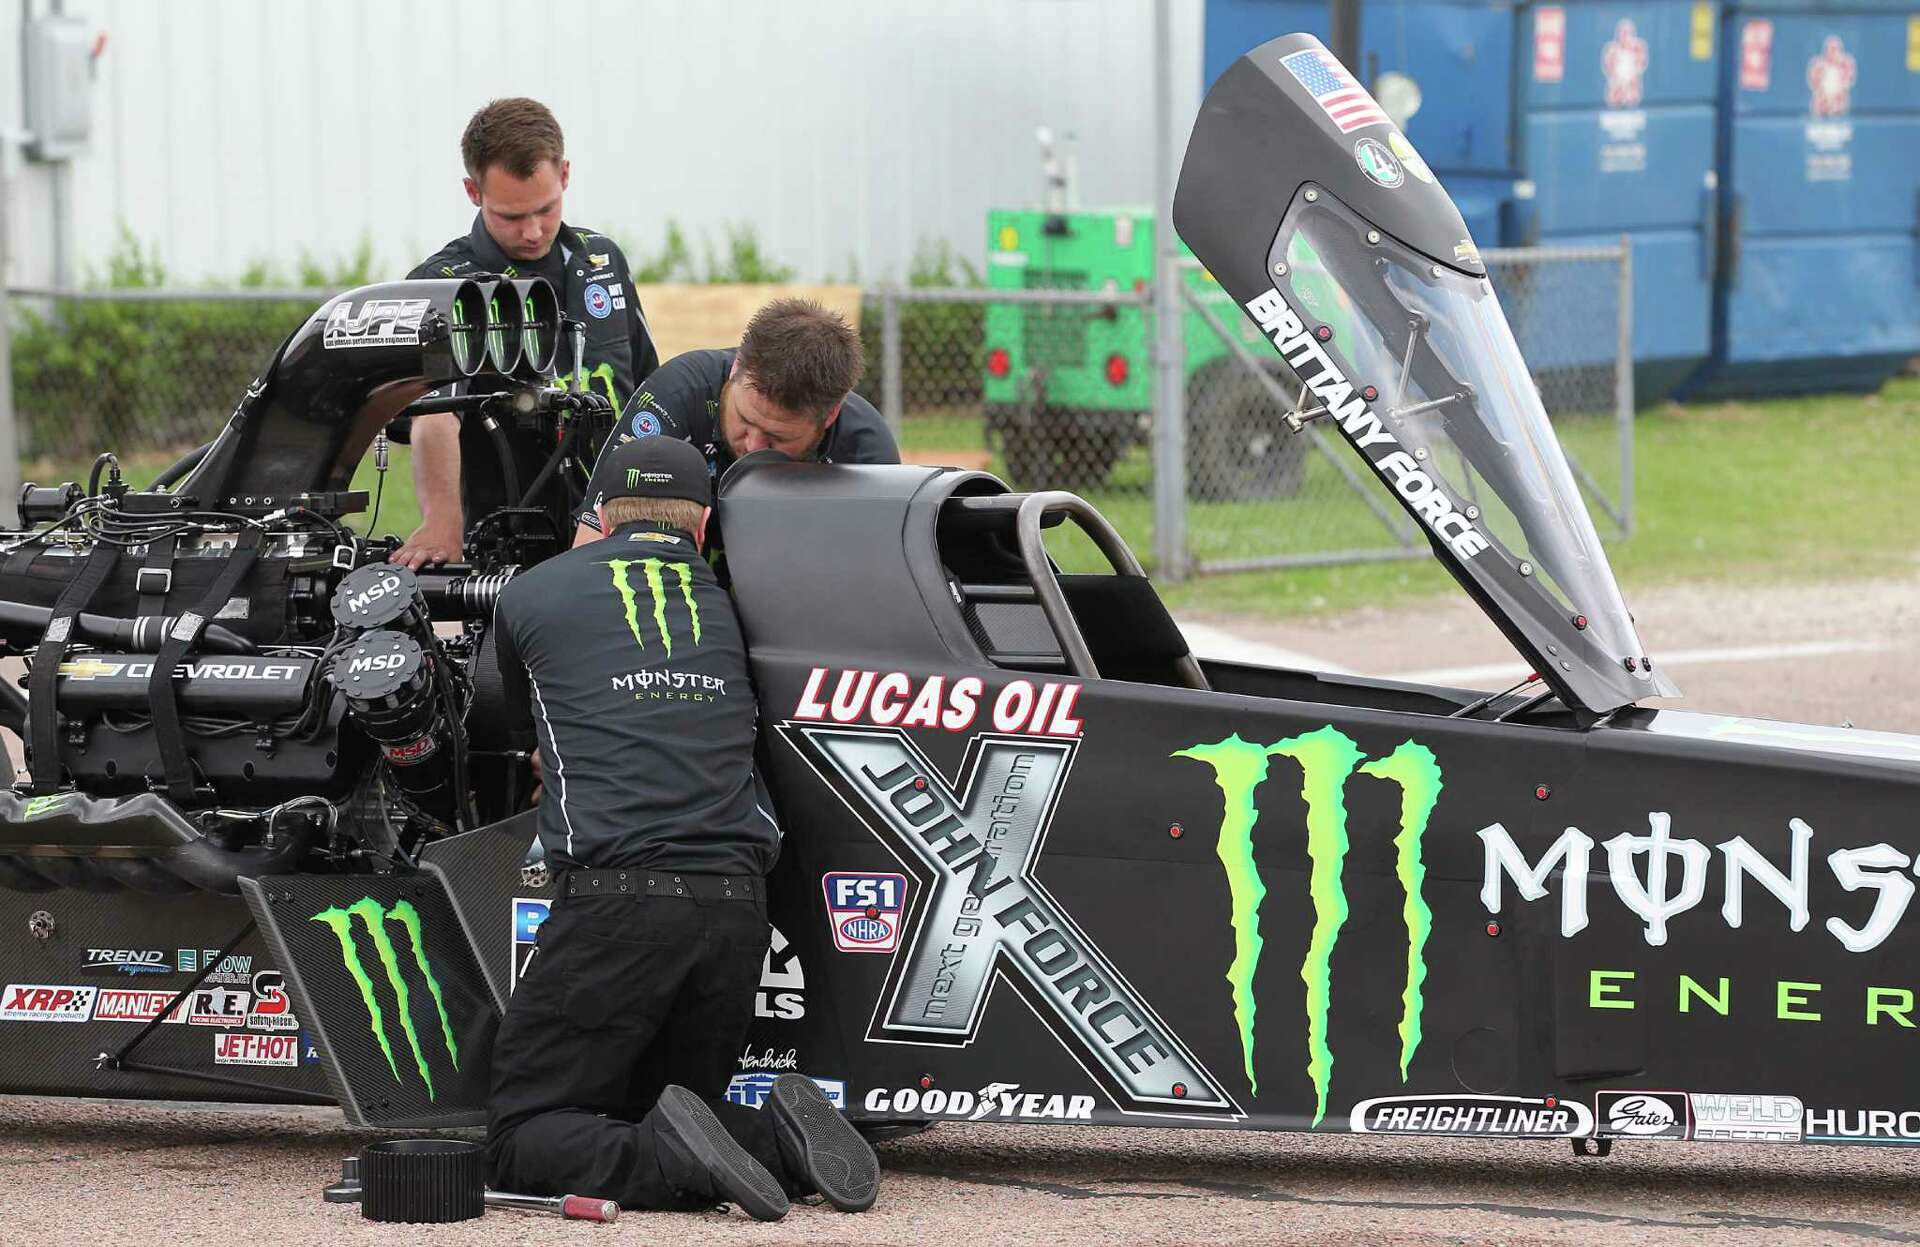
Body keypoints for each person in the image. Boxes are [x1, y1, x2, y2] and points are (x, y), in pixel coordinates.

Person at [486, 435, 880, 1216]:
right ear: (701, 526)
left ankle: (680, 1160)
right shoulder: (740, 604)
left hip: (617, 905)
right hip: (737, 915)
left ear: (600, 516)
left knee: (521, 1136)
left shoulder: (531, 593)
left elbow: (500, 725)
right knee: (647, 1103)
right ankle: (779, 1143)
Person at [395, 97, 660, 570]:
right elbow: (434, 416)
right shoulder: (444, 285)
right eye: (511, 217)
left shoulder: (604, 260)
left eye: (546, 208)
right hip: (508, 554)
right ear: (473, 193)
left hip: (622, 536)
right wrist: (442, 521)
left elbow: (649, 390)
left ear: (565, 175)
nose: (534, 231)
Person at [573, 297, 899, 547]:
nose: (753, 447)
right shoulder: (678, 394)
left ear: (830, 416)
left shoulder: (865, 449)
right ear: (735, 369)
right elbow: (591, 544)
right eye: (744, 420)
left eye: (776, 438)